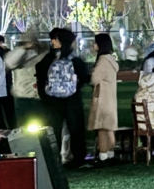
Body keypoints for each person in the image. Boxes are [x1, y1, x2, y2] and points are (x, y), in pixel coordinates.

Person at [45, 29, 90, 167]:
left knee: (54, 129)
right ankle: (78, 158)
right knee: (76, 129)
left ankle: (53, 159)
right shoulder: (75, 59)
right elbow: (84, 77)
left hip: (54, 99)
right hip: (73, 98)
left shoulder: (50, 58)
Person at [87, 34, 119, 164]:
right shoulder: (111, 60)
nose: (93, 45)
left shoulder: (102, 61)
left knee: (101, 127)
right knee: (109, 127)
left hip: (102, 98)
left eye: (95, 43)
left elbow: (94, 79)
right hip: (110, 98)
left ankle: (103, 155)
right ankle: (110, 153)